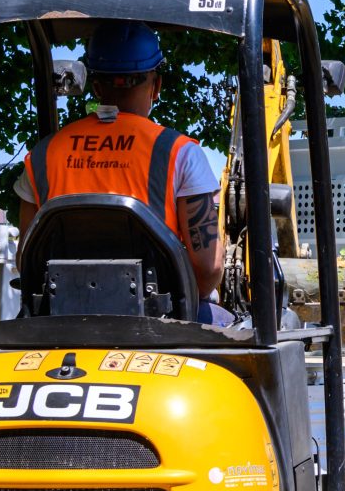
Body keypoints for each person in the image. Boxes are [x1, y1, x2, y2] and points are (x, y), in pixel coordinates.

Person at [13, 21, 224, 302]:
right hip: (157, 323)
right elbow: (208, 268)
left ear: (97, 86)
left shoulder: (42, 155)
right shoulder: (180, 153)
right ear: (156, 84)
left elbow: (27, 259)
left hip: (60, 320)